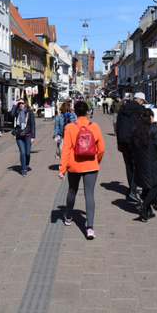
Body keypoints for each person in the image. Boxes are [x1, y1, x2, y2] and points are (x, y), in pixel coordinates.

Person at [59, 100, 104, 240]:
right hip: (91, 165)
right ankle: (89, 228)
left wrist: (62, 168)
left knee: (72, 190)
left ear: (75, 112)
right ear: (87, 112)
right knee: (89, 194)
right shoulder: (95, 126)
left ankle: (68, 216)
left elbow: (65, 149)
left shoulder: (70, 127)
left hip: (74, 165)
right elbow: (101, 148)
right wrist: (96, 161)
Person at [132, 108, 157, 222]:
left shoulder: (136, 129)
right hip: (152, 162)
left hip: (140, 161)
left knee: (145, 187)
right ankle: (143, 205)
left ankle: (147, 212)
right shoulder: (154, 129)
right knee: (156, 186)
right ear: (151, 117)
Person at [116, 91, 149, 202]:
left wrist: (118, 142)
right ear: (140, 101)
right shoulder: (141, 110)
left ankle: (131, 187)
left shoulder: (123, 108)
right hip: (135, 140)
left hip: (123, 139)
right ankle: (133, 189)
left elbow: (118, 125)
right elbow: (144, 126)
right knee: (137, 164)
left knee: (129, 164)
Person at [11, 98, 36, 176]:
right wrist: (15, 105)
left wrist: (33, 137)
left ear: (25, 104)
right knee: (22, 152)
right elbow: (11, 114)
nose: (21, 105)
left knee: (27, 153)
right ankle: (24, 169)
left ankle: (27, 164)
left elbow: (33, 125)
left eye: (22, 103)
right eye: (19, 104)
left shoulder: (30, 112)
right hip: (19, 135)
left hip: (28, 135)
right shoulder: (17, 112)